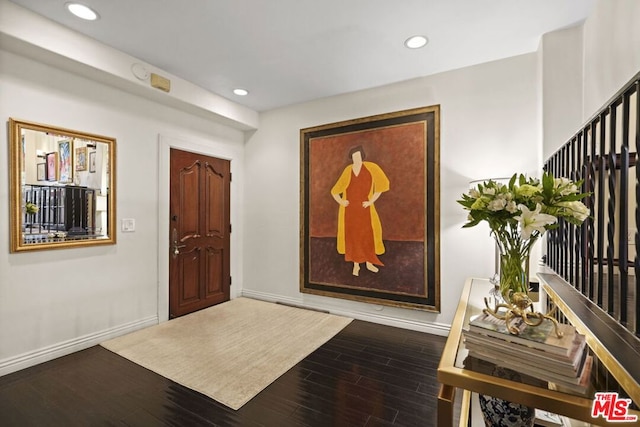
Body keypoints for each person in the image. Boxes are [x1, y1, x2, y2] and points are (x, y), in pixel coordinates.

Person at [331, 145, 390, 276]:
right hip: (350, 210)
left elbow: (381, 186)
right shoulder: (348, 170)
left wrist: (371, 201)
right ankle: (356, 264)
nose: (355, 158)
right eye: (353, 156)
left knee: (367, 235)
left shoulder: (371, 168)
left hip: (365, 208)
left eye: (357, 156)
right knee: (353, 236)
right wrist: (341, 201)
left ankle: (369, 262)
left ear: (362, 156)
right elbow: (335, 190)